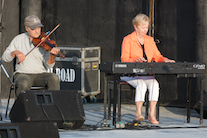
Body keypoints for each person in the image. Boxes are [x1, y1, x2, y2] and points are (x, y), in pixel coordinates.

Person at [120, 13, 175, 124]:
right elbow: (124, 58)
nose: (145, 30)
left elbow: (157, 56)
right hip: (131, 75)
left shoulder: (149, 40)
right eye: (143, 27)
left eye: (147, 27)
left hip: (146, 74)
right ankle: (138, 114)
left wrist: (165, 60)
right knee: (141, 84)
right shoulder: (128, 39)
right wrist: (136, 60)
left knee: (154, 84)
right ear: (135, 26)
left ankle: (151, 114)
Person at [2, 15, 60, 96]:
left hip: (40, 74)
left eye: (39, 28)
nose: (37, 31)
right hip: (22, 73)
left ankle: (51, 106)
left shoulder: (45, 42)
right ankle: (22, 107)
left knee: (54, 78)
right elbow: (4, 58)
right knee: (24, 82)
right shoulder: (18, 39)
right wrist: (15, 52)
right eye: (33, 29)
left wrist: (52, 55)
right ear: (27, 28)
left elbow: (49, 66)